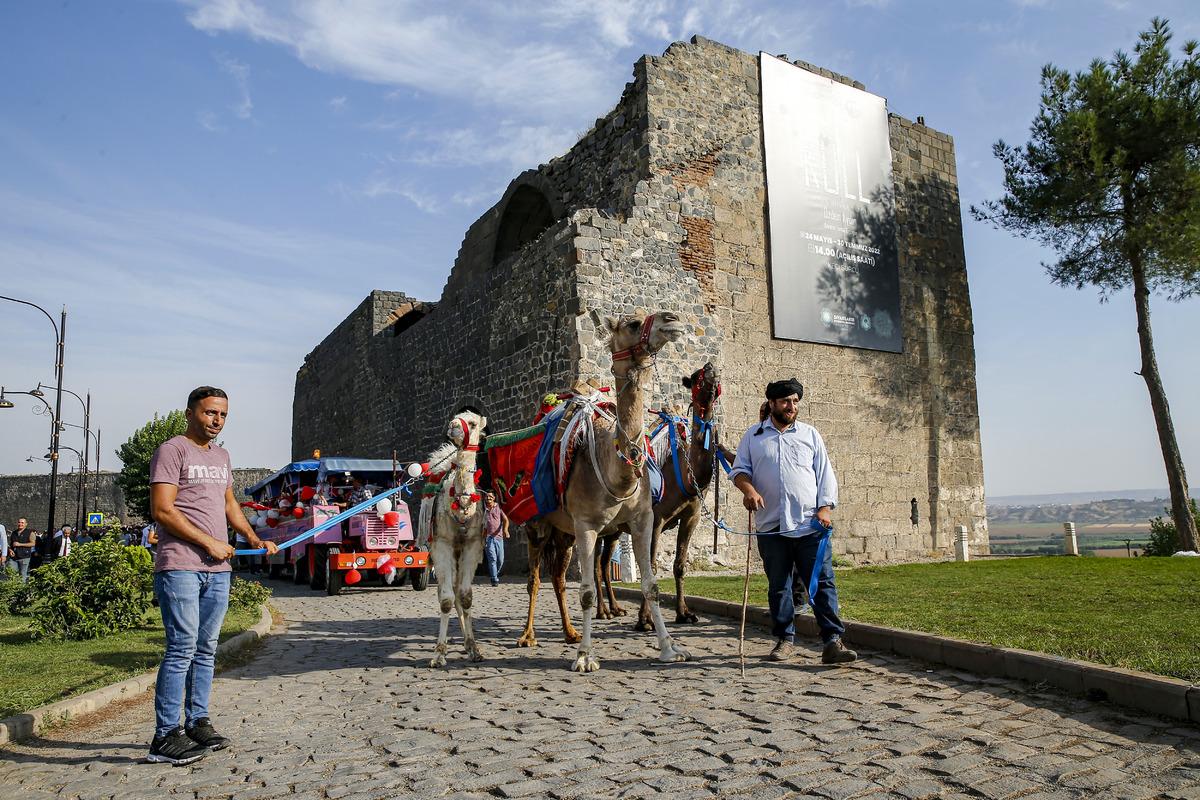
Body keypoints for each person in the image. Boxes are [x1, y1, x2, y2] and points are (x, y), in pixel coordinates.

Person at [145, 386, 278, 766]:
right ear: (190, 413)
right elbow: (163, 510)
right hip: (182, 564)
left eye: (222, 415)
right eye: (209, 413)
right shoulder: (172, 450)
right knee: (181, 648)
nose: (216, 421)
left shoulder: (221, 456)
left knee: (206, 650)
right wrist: (210, 543)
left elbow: (227, 502)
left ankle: (197, 722)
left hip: (217, 570)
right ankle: (165, 735)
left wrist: (254, 537)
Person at [728, 378, 856, 665]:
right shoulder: (754, 436)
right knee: (779, 586)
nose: (791, 406)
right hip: (771, 526)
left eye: (795, 401)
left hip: (810, 525)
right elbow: (739, 471)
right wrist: (749, 491)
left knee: (822, 583)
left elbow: (825, 475)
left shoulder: (810, 435)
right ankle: (784, 640)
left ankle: (833, 641)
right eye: (786, 401)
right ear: (772, 403)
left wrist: (825, 509)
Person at [482, 492, 509, 586]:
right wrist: (482, 539)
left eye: (490, 496)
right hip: (489, 538)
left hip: (499, 537)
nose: (488, 498)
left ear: (493, 498)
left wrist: (506, 530)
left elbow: (506, 520)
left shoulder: (498, 508)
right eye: (486, 496)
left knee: (500, 560)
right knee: (492, 559)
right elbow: (484, 527)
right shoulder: (484, 511)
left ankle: (495, 574)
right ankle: (494, 579)